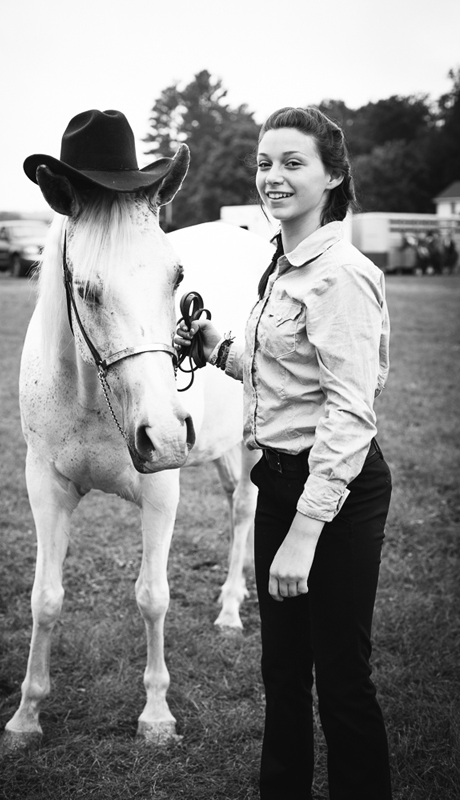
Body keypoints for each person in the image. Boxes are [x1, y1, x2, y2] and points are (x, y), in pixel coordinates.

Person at [175, 107, 393, 800]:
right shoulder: (281, 265)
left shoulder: (342, 276)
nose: (273, 176)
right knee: (282, 673)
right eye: (265, 162)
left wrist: (304, 533)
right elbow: (279, 371)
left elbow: (349, 415)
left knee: (342, 679)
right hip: (276, 478)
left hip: (335, 493)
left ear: (332, 176)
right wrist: (213, 345)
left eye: (292, 162)